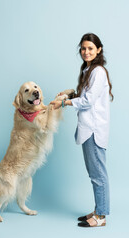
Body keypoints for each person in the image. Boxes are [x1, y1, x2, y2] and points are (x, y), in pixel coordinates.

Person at [50, 33, 113, 227]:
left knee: (98, 174)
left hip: (94, 129)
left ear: (98, 50)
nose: (86, 52)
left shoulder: (98, 71)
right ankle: (98, 210)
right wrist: (70, 93)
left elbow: (88, 101)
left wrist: (64, 103)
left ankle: (101, 217)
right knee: (94, 173)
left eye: (90, 49)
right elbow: (85, 95)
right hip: (87, 128)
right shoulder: (88, 70)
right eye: (84, 49)